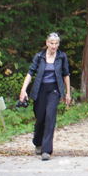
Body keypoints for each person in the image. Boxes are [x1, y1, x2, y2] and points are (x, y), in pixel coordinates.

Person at [19, 32, 72, 161]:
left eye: (56, 43)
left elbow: (66, 74)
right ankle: (38, 142)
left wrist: (67, 93)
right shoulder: (39, 56)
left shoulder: (62, 57)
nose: (54, 46)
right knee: (40, 119)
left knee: (50, 117)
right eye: (52, 43)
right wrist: (23, 90)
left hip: (54, 90)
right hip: (40, 90)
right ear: (46, 43)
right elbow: (30, 73)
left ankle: (46, 150)